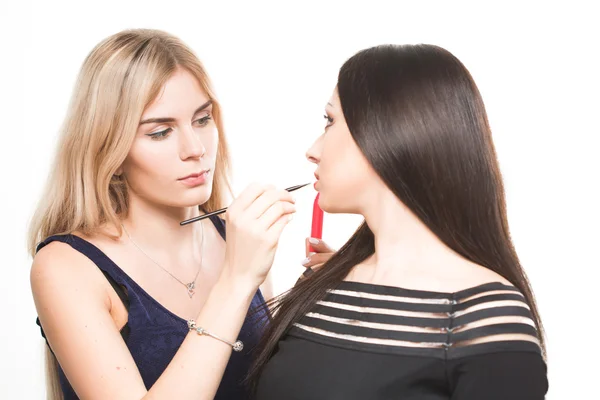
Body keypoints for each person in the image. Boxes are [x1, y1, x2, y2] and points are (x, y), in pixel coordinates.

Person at [28, 28, 333, 400]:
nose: (195, 149)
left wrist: (320, 302)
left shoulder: (234, 240)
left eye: (202, 120)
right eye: (160, 133)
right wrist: (236, 281)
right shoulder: (66, 266)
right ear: (110, 150)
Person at [251, 44, 549, 399]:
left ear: (388, 131)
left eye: (330, 121)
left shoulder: (486, 317)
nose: (313, 149)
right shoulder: (322, 285)